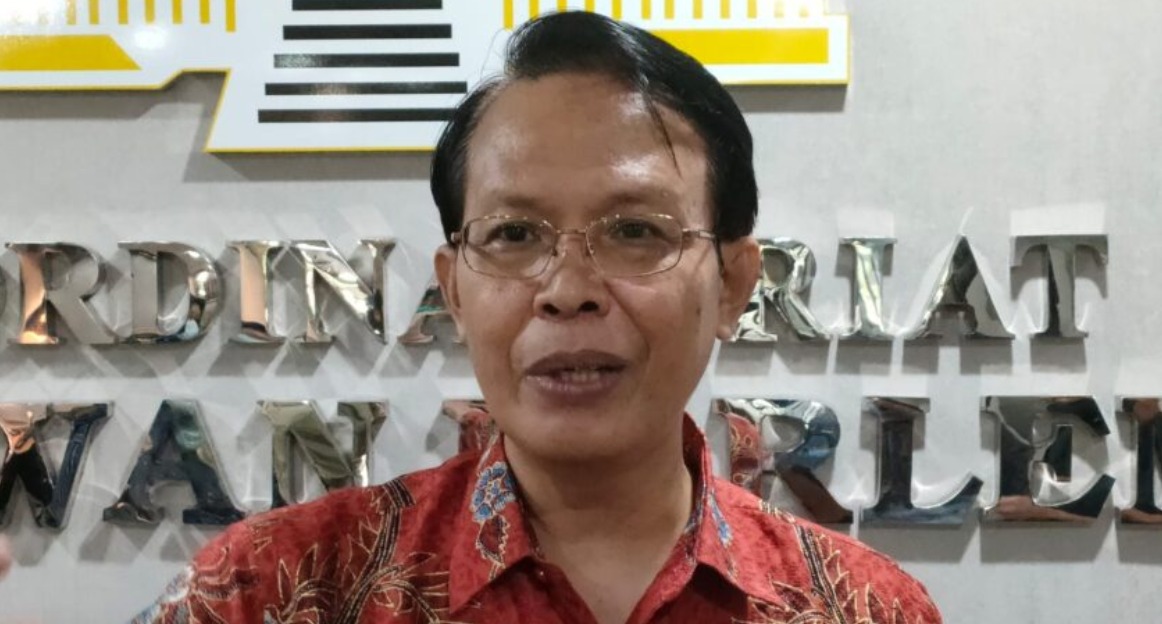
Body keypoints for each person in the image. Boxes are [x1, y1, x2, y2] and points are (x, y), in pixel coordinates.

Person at [133, 11, 942, 624]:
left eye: (636, 231)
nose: (567, 290)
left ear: (733, 285)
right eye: (515, 235)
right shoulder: (275, 590)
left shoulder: (864, 608)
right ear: (454, 291)